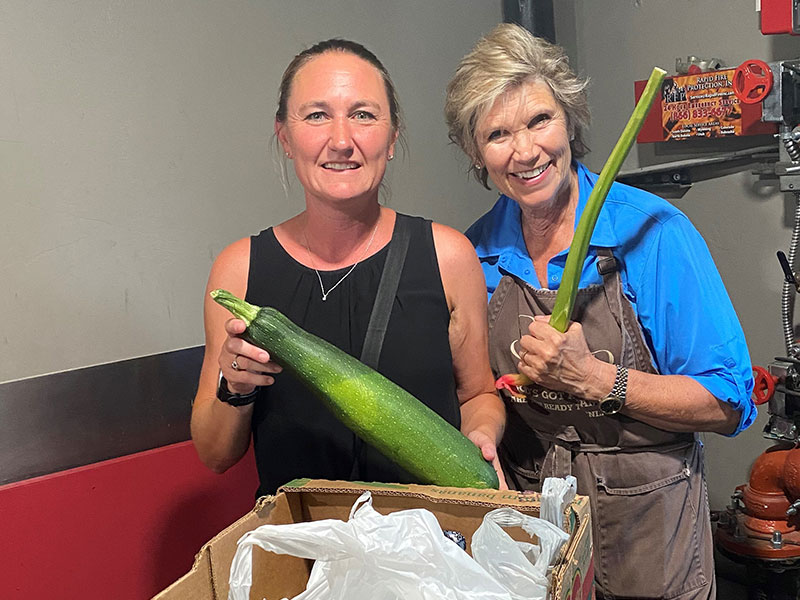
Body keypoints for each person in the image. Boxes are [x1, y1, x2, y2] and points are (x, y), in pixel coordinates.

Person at [444, 23, 755, 600]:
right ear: (475, 153)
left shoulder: (653, 233)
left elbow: (729, 402)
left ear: (570, 120)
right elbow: (477, 392)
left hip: (652, 541)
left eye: (541, 120)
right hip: (533, 541)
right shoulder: (474, 255)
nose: (526, 150)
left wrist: (595, 379)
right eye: (497, 133)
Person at [191, 38, 505, 498]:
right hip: (302, 554)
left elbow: (478, 395)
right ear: (285, 137)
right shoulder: (239, 268)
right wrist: (234, 388)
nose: (341, 140)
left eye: (363, 114)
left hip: (431, 548)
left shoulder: (448, 256)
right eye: (317, 115)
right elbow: (215, 455)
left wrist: (480, 434)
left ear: (393, 138)